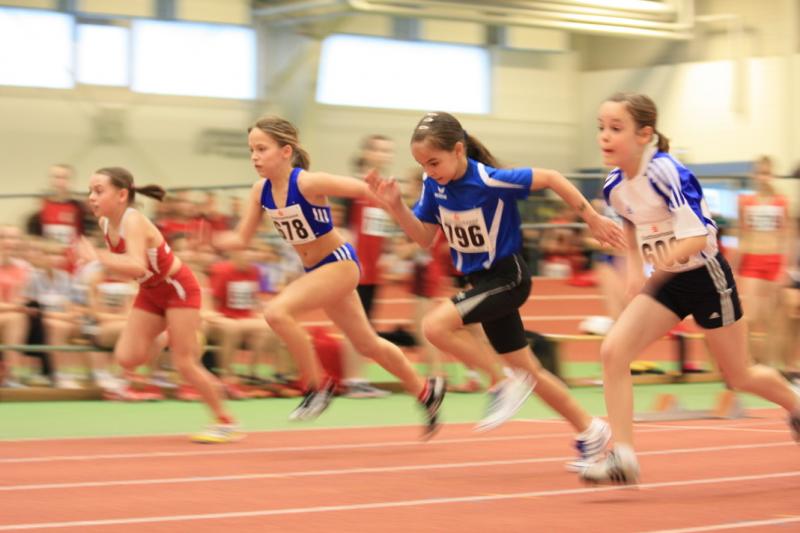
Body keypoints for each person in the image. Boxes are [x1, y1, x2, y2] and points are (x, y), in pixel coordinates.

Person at [367, 111, 623, 465]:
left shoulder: (489, 180)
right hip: (483, 282)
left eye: (434, 162)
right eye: (422, 164)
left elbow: (551, 177)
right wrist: (396, 206)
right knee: (530, 371)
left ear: (459, 150)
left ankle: (501, 380)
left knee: (434, 326)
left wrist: (592, 218)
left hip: (508, 278)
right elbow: (424, 237)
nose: (428, 170)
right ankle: (590, 429)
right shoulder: (433, 185)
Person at [580, 92, 800, 485]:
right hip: (667, 282)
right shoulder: (615, 185)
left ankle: (795, 405)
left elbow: (698, 236)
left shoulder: (667, 172)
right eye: (601, 128)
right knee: (613, 351)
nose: (604, 136)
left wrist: (659, 263)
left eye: (615, 128)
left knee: (740, 375)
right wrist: (635, 271)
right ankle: (624, 457)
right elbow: (630, 221)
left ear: (644, 134)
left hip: (705, 277)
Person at [214, 116, 445, 437]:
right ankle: (425, 391)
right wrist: (218, 241)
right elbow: (241, 239)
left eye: (262, 149)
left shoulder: (307, 183)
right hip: (318, 271)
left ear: (285, 151)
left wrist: (395, 201)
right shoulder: (259, 192)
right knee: (367, 344)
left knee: (276, 313)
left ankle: (318, 385)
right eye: (251, 150)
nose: (254, 156)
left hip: (338, 264)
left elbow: (362, 190)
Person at [76, 167, 241, 443]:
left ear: (121, 195)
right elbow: (130, 269)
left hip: (177, 288)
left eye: (99, 191)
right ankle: (169, 335)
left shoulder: (133, 220)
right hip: (151, 291)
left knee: (184, 363)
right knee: (127, 357)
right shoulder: (105, 223)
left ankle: (225, 421)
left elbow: (137, 264)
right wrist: (102, 263)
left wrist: (98, 257)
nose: (91, 197)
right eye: (90, 191)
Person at [735, 156, 791, 365]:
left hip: (774, 261)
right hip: (752, 261)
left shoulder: (781, 201)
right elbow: (741, 235)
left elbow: (786, 236)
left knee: (770, 319)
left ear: (772, 175)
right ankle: (750, 363)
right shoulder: (745, 202)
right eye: (760, 173)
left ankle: (768, 364)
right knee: (750, 317)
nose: (763, 177)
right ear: (754, 175)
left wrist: (785, 268)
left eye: (767, 173)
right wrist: (733, 267)